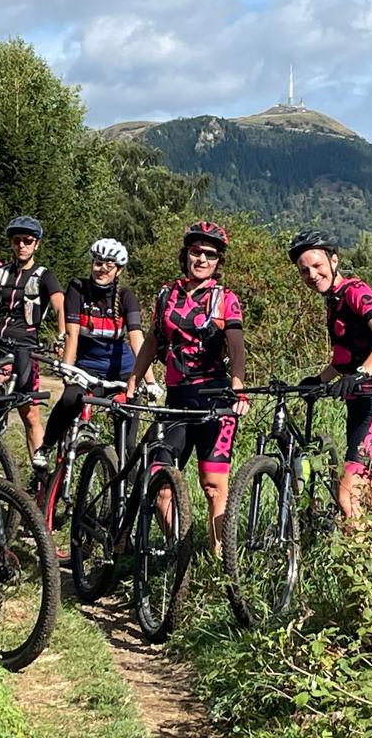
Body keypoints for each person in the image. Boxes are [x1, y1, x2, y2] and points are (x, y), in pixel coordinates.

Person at [126, 221, 249, 552]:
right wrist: (135, 378)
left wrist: (238, 387)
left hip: (214, 399)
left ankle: (218, 559)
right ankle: (181, 553)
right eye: (196, 251)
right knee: (159, 482)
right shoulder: (167, 294)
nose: (202, 259)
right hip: (177, 399)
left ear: (218, 262)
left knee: (213, 486)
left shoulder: (225, 299)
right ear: (186, 254)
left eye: (210, 254)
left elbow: (236, 346)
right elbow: (153, 340)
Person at [288, 229, 372, 518]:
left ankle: (360, 553)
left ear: (334, 261)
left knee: (348, 493)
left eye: (317, 266)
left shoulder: (354, 291)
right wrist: (318, 380)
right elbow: (343, 358)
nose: (312, 274)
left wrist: (362, 373)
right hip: (358, 407)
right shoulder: (333, 301)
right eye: (304, 271)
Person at [35, 238, 159, 469]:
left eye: (109, 265)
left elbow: (136, 339)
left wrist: (150, 381)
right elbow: (72, 335)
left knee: (126, 442)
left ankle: (127, 493)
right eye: (98, 263)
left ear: (119, 269)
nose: (102, 269)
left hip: (122, 372)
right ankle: (46, 446)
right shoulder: (77, 289)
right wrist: (68, 370)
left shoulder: (126, 297)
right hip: (87, 368)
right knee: (70, 399)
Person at [0, 216, 64, 465]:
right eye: (17, 240)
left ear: (36, 244)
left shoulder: (44, 275)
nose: (22, 245)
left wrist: (62, 335)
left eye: (28, 241)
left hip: (24, 346)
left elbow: (60, 305)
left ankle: (39, 473)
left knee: (29, 414)